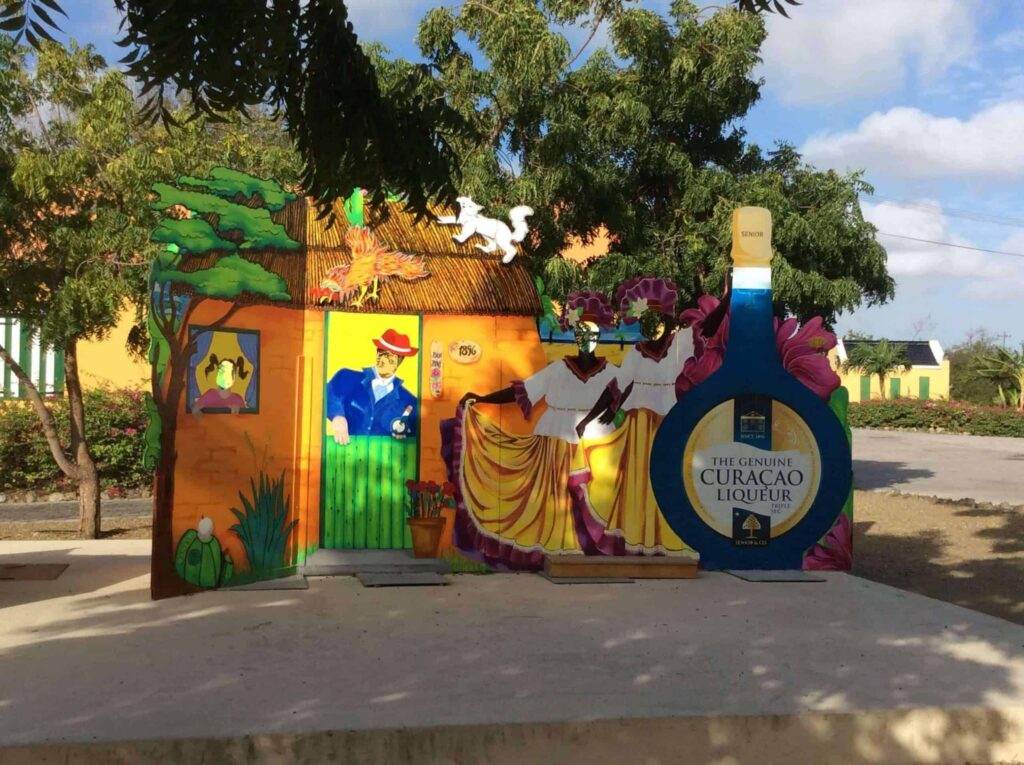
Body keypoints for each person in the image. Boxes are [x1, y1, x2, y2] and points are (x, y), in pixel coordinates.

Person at [447, 291, 621, 569]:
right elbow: (524, 391)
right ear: (575, 336)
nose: (586, 339)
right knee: (553, 498)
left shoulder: (613, 370)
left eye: (592, 333)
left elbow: (630, 391)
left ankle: (597, 548)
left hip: (596, 443)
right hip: (554, 437)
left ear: (599, 337)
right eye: (581, 333)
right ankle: (562, 546)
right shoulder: (558, 370)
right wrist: (481, 398)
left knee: (599, 494)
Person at [575, 276, 731, 555]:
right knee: (639, 482)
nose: (653, 326)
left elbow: (708, 326)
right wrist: (587, 420)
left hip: (669, 423)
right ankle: (639, 539)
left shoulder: (681, 344)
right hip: (639, 426)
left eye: (658, 320)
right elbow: (616, 388)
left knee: (668, 479)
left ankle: (668, 537)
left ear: (668, 323)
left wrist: (728, 298)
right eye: (649, 321)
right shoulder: (636, 352)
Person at [326, 329, 419, 445]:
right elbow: (327, 394)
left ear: (400, 361)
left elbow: (416, 439)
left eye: (390, 359)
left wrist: (405, 436)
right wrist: (337, 416)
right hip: (344, 458)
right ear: (377, 354)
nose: (383, 362)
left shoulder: (409, 402)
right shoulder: (346, 378)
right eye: (381, 354)